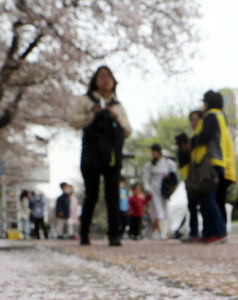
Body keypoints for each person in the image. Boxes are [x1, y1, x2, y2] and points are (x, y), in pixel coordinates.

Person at [67, 65, 132, 246]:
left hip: (112, 157)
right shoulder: (86, 101)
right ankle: (84, 234)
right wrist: (91, 115)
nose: (106, 80)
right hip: (91, 156)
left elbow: (128, 131)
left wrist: (116, 116)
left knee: (112, 196)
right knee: (91, 195)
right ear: (95, 79)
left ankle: (114, 235)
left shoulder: (118, 106)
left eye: (109, 76)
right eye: (102, 76)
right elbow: (72, 121)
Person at [182, 91, 235, 243]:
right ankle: (209, 233)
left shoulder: (212, 115)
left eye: (204, 103)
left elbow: (207, 135)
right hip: (217, 162)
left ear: (208, 103)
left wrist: (192, 142)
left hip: (211, 163)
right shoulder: (220, 117)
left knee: (208, 199)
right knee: (207, 200)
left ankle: (220, 232)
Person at [176, 110, 204, 242]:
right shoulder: (186, 148)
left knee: (203, 205)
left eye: (195, 119)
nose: (193, 122)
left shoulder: (199, 138)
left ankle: (204, 231)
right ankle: (194, 232)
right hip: (189, 180)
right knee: (192, 206)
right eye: (191, 119)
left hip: (200, 178)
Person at [142, 144, 177, 240]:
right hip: (154, 190)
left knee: (164, 212)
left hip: (164, 190)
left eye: (155, 151)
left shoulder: (168, 163)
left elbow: (174, 176)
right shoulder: (150, 165)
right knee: (157, 212)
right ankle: (162, 234)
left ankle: (152, 233)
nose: (153, 153)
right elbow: (145, 179)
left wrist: (169, 178)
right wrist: (147, 189)